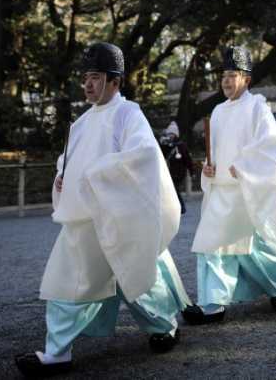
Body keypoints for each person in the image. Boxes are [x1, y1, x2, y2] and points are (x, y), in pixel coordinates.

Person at [15, 42, 191, 377]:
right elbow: (67, 163)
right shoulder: (81, 123)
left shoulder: (129, 114)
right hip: (84, 219)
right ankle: (57, 352)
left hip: (118, 218)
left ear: (115, 81)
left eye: (95, 78)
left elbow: (142, 158)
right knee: (67, 282)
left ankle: (165, 325)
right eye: (86, 78)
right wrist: (62, 179)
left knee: (137, 281)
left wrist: (96, 176)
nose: (88, 84)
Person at [183, 46, 276, 325]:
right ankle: (212, 304)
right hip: (222, 189)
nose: (226, 81)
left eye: (232, 75)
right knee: (212, 244)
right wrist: (208, 169)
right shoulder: (219, 112)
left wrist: (246, 167)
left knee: (259, 248)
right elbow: (216, 151)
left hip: (248, 190)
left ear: (246, 79)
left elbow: (269, 147)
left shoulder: (258, 107)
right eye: (223, 75)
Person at [159, 121, 194, 214]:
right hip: (169, 171)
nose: (170, 136)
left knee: (174, 189)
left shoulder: (181, 145)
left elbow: (188, 159)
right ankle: (177, 208)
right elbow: (161, 154)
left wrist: (191, 171)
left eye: (172, 134)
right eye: (169, 134)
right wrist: (163, 143)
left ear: (176, 135)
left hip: (179, 172)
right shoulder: (166, 144)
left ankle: (181, 208)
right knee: (172, 189)